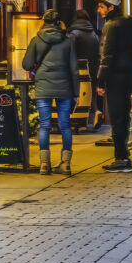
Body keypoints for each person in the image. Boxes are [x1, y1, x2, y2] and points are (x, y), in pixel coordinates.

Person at [23, 10, 79, 175]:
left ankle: (44, 164)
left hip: (43, 86)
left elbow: (26, 64)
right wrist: (76, 93)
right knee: (65, 126)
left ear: (43, 22)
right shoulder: (67, 42)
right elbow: (74, 70)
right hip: (65, 87)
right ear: (58, 23)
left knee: (45, 126)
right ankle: (66, 164)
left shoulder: (36, 40)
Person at [95, 0, 132, 173]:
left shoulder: (111, 26)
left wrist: (100, 81)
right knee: (124, 115)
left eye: (102, 7)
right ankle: (123, 156)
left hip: (114, 76)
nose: (99, 10)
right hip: (128, 75)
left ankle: (121, 159)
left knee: (116, 117)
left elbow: (107, 56)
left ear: (111, 7)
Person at [68, 9, 102, 130]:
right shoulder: (94, 34)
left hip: (78, 68)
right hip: (92, 67)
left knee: (78, 94)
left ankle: (78, 122)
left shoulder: (74, 33)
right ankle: (95, 111)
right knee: (90, 93)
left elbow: (69, 52)